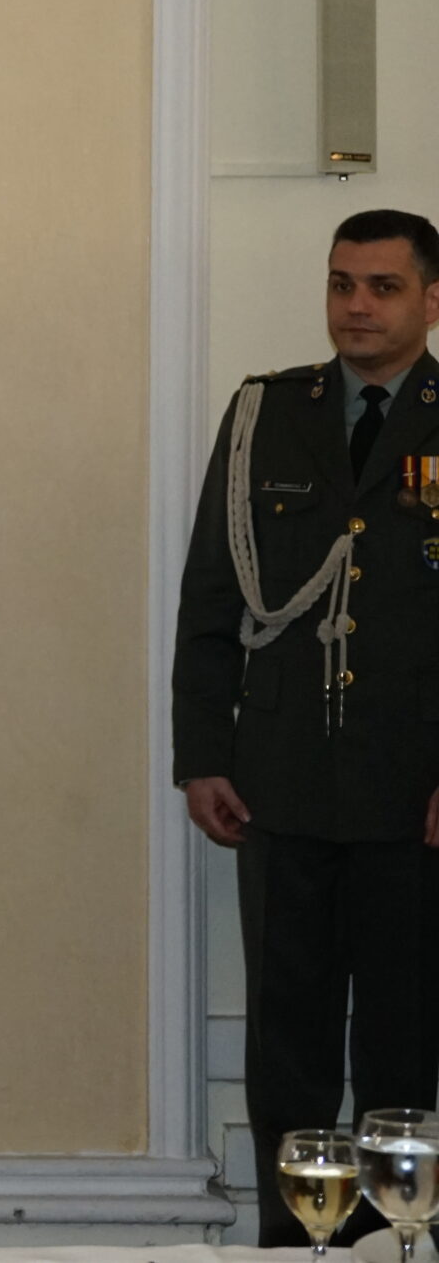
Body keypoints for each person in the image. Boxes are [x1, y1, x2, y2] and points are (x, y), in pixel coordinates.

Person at [174, 209, 439, 1248]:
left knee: (402, 1044)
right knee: (286, 1043)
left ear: (429, 300)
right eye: (341, 284)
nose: (356, 306)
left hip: (413, 792)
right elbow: (211, 595)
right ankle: (295, 1243)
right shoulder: (265, 416)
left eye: (382, 287)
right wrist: (202, 754)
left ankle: (392, 1238)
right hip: (280, 782)